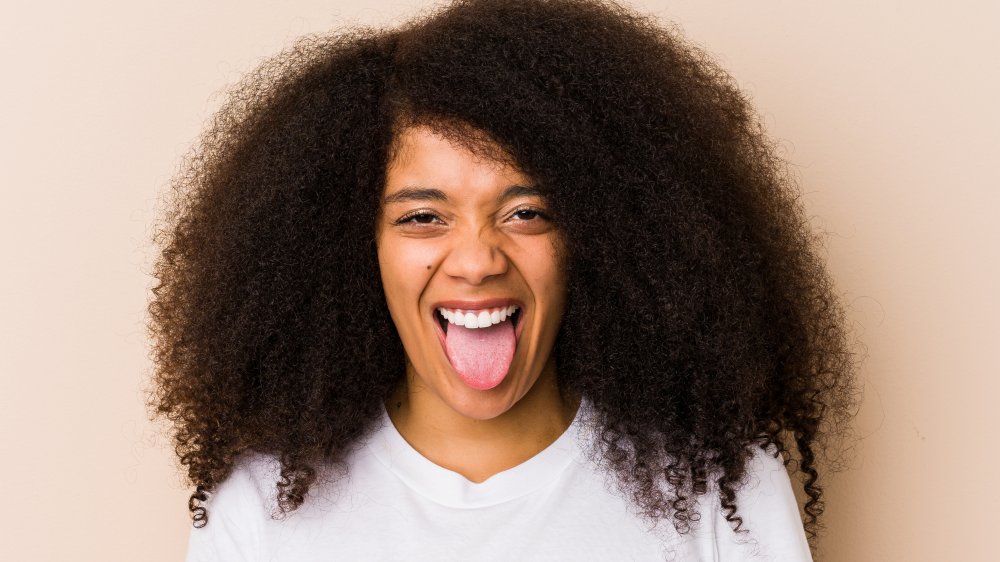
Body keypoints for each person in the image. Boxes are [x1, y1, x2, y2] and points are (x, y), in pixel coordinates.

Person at [147, 0, 856, 560]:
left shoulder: (714, 490)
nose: (478, 258)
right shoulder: (261, 509)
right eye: (423, 217)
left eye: (526, 212)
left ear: (601, 236)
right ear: (347, 249)